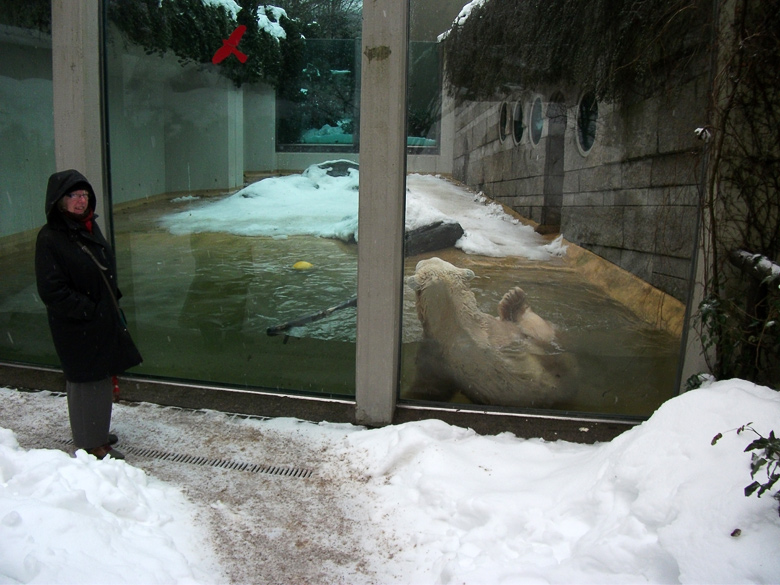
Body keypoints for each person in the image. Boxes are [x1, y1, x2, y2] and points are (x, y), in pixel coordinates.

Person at [35, 169, 142, 460]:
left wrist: (107, 304)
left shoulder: (86, 227)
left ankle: (96, 433)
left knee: (101, 378)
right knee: (85, 382)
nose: (81, 201)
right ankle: (90, 443)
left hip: (98, 317)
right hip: (76, 324)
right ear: (59, 200)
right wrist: (88, 310)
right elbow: (52, 290)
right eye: (73, 195)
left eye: (84, 195)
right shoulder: (51, 238)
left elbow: (101, 268)